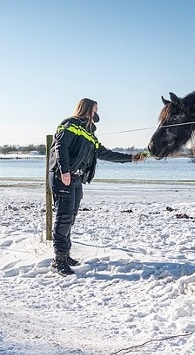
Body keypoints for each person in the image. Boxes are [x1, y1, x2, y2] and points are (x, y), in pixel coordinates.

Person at [48, 98, 146, 276]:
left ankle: (65, 254)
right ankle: (58, 261)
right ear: (87, 109)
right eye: (95, 109)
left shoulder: (91, 135)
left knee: (71, 217)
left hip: (77, 178)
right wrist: (64, 170)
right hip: (62, 175)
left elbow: (106, 154)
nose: (97, 113)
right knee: (63, 217)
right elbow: (60, 146)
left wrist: (131, 158)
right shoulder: (70, 124)